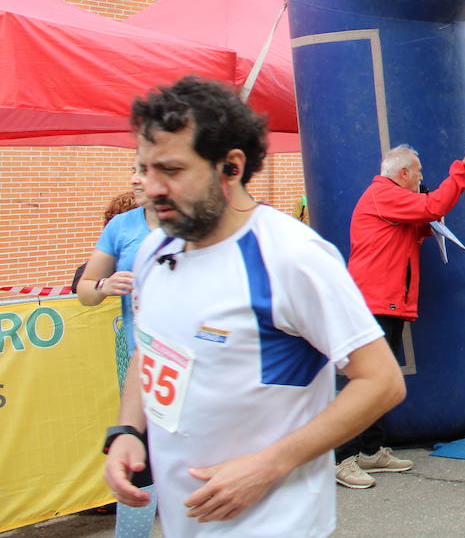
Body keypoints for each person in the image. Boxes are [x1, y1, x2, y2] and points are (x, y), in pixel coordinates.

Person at [103, 76, 404, 536]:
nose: (152, 187)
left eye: (172, 170)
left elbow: (382, 382)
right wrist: (127, 430)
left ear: (231, 166)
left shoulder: (290, 256)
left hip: (275, 523)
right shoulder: (153, 249)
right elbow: (150, 349)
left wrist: (269, 464)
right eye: (146, 169)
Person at [335, 142, 465, 488]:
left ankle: (370, 450)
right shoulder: (383, 193)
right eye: (419, 172)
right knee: (366, 381)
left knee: (379, 380)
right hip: (374, 302)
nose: (421, 178)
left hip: (387, 302)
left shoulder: (387, 198)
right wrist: (463, 169)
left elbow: (415, 224)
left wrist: (428, 225)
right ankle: (343, 457)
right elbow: (436, 204)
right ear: (403, 173)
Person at [78, 170, 162, 538]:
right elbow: (84, 289)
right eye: (134, 170)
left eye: (145, 170)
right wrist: (105, 285)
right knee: (138, 465)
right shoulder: (122, 227)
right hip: (139, 365)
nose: (134, 179)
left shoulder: (202, 228)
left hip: (199, 371)